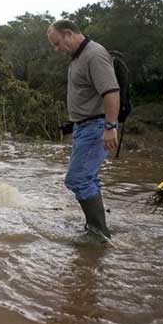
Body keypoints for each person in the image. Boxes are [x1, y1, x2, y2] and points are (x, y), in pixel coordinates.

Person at [46, 20, 120, 240]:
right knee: (88, 178)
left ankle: (99, 234)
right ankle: (95, 228)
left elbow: (111, 92)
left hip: (96, 127)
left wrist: (110, 127)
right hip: (84, 127)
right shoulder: (78, 57)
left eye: (58, 43)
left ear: (69, 34)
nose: (57, 49)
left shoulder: (94, 54)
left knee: (77, 179)